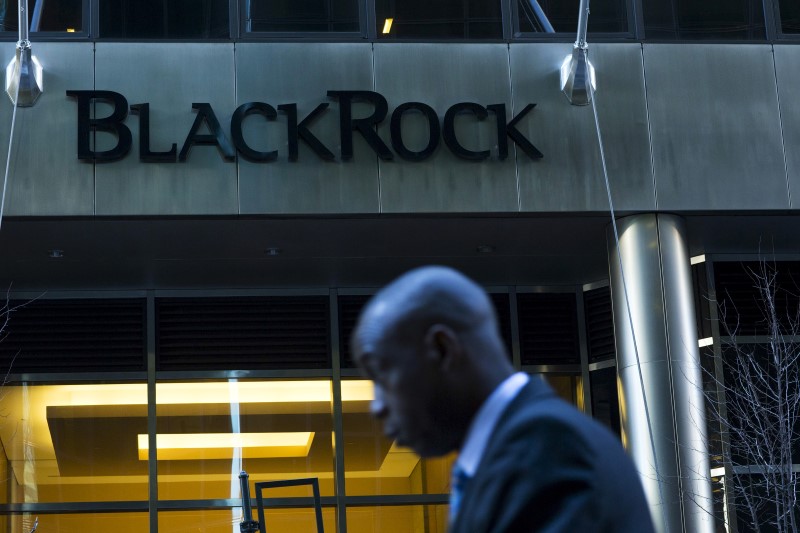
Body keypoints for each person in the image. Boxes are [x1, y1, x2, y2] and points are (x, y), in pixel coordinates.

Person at [351, 266, 655, 532]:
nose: (376, 407)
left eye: (382, 375)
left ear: (443, 350)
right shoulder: (526, 448)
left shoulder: (547, 448)